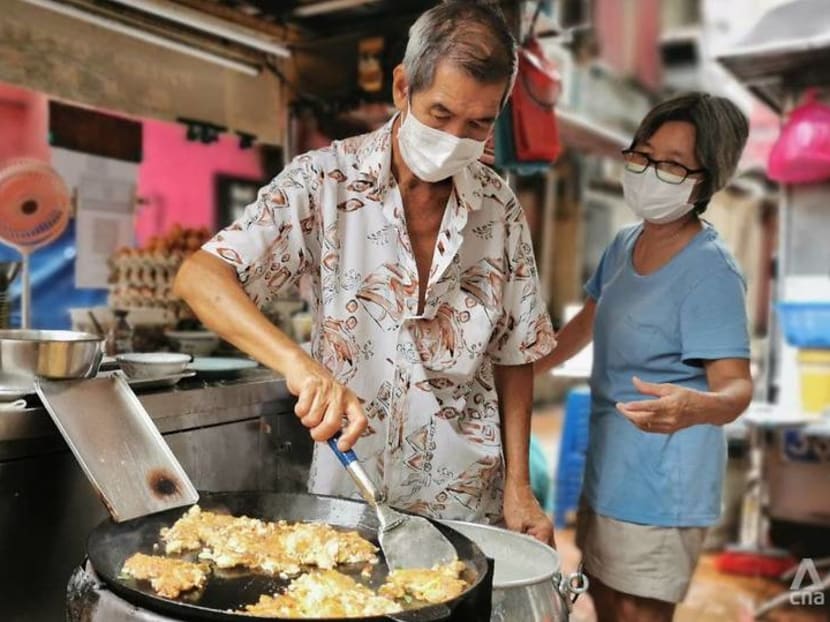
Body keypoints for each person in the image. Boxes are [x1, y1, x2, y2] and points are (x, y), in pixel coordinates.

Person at [174, 1, 556, 544]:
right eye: (440, 115)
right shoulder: (324, 181)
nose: (456, 139)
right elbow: (201, 276)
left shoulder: (499, 209)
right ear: (402, 88)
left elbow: (514, 354)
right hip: (352, 492)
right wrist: (301, 366)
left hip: (467, 497)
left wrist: (519, 485)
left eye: (478, 123)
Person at [535, 93, 753, 621]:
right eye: (644, 155)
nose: (652, 172)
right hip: (610, 466)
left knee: (638, 612)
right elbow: (582, 327)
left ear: (706, 180)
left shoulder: (710, 272)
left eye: (674, 165)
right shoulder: (624, 243)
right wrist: (512, 372)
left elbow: (736, 387)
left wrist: (693, 407)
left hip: (663, 481)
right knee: (605, 599)